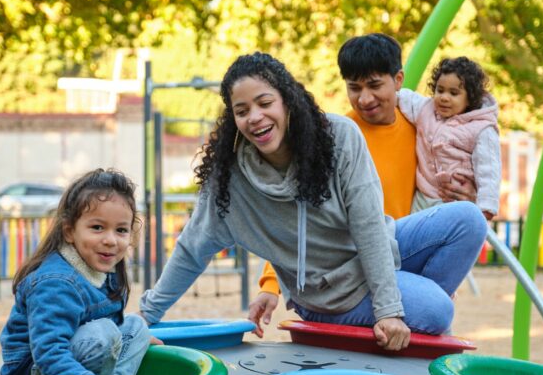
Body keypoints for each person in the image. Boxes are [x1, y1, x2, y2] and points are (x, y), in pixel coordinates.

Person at [139, 52, 487, 351]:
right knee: (438, 309)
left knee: (468, 220)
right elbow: (190, 250)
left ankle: (401, 327)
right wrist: (146, 316)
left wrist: (389, 309)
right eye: (242, 111)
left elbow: (369, 227)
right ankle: (410, 322)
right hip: (328, 293)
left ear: (287, 101)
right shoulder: (230, 182)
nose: (255, 117)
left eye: (265, 103)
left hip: (375, 250)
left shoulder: (338, 138)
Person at [250, 33, 479, 331]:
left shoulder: (419, 129)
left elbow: (449, 181)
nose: (365, 98)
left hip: (397, 250)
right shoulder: (335, 138)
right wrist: (271, 285)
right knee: (437, 311)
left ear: (398, 80)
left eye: (374, 85)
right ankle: (421, 311)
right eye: (354, 88)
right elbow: (297, 217)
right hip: (348, 266)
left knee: (470, 221)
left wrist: (465, 189)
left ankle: (419, 310)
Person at [0, 169, 154, 375]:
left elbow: (117, 323)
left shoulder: (106, 268)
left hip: (80, 351)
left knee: (137, 327)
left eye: (121, 230)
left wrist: (138, 339)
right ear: (69, 231)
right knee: (103, 333)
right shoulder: (56, 283)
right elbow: (48, 351)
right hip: (36, 374)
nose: (110, 240)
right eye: (97, 227)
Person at [397, 56, 500, 220]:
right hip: (423, 195)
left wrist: (486, 206)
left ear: (470, 98)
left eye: (454, 93)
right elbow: (403, 97)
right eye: (440, 90)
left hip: (454, 200)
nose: (444, 97)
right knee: (413, 235)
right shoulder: (426, 110)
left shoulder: (481, 128)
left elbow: (488, 169)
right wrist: (387, 93)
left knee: (446, 237)